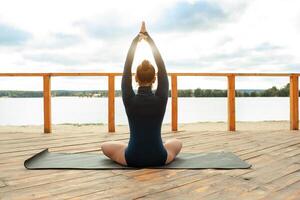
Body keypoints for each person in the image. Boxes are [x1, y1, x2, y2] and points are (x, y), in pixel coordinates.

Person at [101, 22, 182, 167]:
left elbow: (127, 67)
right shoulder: (161, 98)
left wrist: (135, 41)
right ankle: (152, 144)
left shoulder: (129, 98)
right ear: (155, 78)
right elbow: (162, 67)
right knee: (177, 143)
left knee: (105, 146)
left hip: (133, 157)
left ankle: (131, 145)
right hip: (159, 157)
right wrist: (149, 39)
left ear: (135, 78)